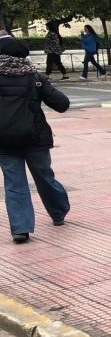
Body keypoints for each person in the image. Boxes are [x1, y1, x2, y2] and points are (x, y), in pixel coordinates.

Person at [0, 45, 71, 244]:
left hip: (4, 141)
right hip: (35, 138)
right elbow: (62, 104)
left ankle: (21, 229)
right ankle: (58, 212)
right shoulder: (34, 77)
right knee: (45, 177)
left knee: (14, 183)